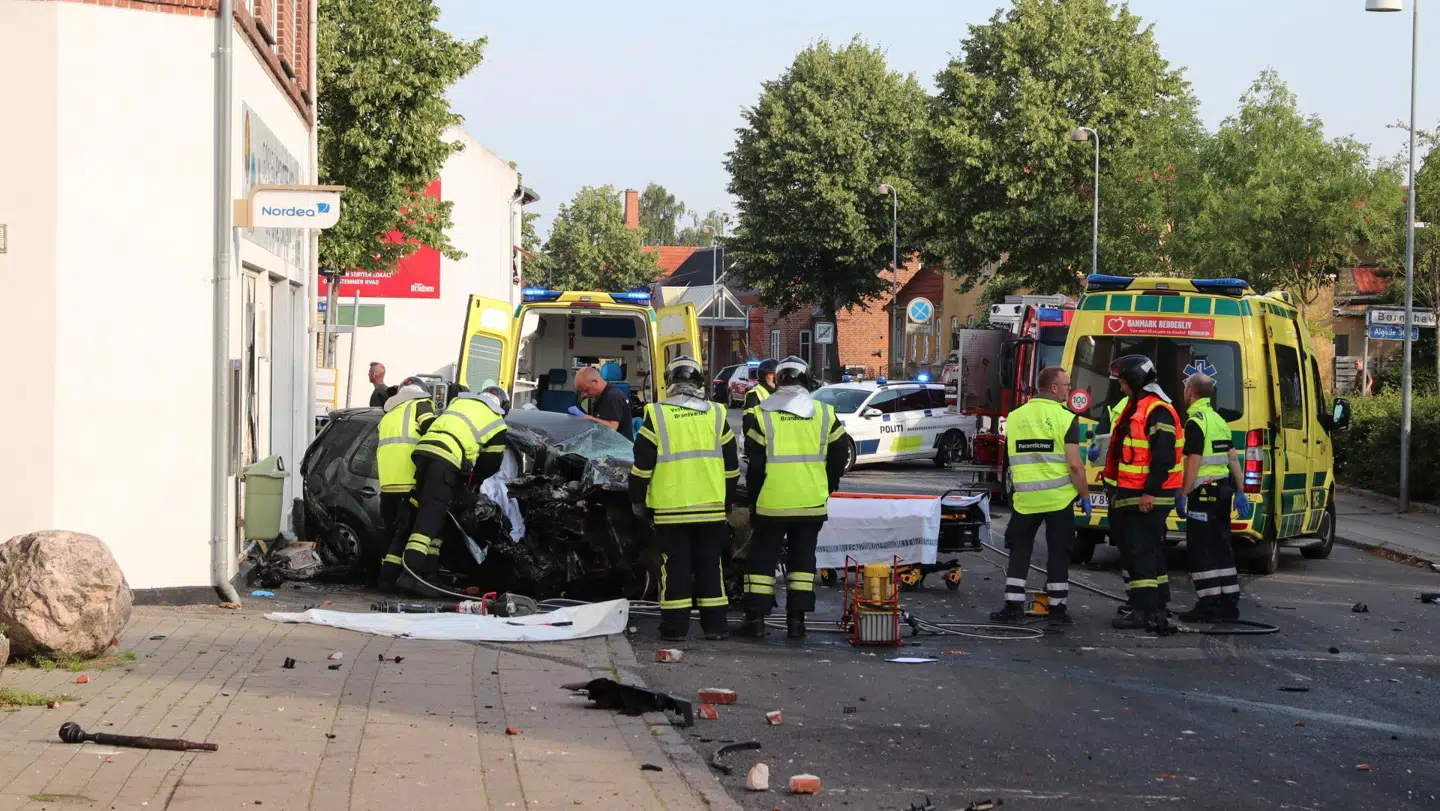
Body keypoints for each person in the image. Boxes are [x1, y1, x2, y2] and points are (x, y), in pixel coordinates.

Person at [629, 356, 740, 641]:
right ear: (699, 383)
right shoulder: (716, 414)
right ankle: (716, 627)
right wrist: (726, 501)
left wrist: (637, 501)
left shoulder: (657, 415)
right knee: (710, 568)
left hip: (670, 510)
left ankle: (675, 629)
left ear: (670, 383)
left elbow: (642, 465)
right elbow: (732, 467)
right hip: (711, 510)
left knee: (674, 568)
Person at [739, 356, 849, 639]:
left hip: (771, 502)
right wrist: (829, 484)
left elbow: (755, 466)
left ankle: (756, 620)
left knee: (762, 560)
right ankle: (797, 621)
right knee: (802, 561)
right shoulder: (824, 413)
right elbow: (839, 454)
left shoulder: (761, 414)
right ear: (806, 380)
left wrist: (754, 499)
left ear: (778, 381)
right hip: (810, 502)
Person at [990, 367, 1091, 626]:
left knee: (1019, 551)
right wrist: (1085, 494)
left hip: (1026, 499)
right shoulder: (1066, 418)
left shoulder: (1015, 416)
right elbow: (1075, 465)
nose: (1070, 389)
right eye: (1067, 385)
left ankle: (1012, 605)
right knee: (1058, 553)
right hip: (1059, 499)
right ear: (1054, 388)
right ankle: (1057, 610)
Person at [401, 385, 510, 592]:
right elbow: (491, 463)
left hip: (423, 454)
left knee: (437, 517)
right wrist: (474, 480)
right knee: (430, 518)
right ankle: (411, 574)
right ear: (503, 406)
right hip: (446, 461)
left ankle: (428, 575)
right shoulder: (496, 421)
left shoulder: (460, 402)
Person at [1103, 355, 1182, 631]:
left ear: (1135, 382)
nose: (1121, 388)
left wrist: (1148, 492)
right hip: (1134, 493)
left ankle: (1144, 610)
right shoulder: (1142, 407)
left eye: (1123, 382)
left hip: (1148, 496)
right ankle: (1156, 605)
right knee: (1148, 552)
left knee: (1140, 553)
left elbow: (1163, 457)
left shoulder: (1157, 410)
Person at [1178, 373, 1252, 622]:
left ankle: (1208, 606)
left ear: (1190, 392)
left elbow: (1194, 462)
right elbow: (1233, 459)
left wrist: (1183, 493)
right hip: (1222, 493)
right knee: (1222, 549)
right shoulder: (1219, 420)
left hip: (1204, 494)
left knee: (1202, 550)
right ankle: (1229, 606)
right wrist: (1241, 491)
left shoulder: (1196, 422)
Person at [376, 377, 437, 591]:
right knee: (406, 534)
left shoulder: (390, 413)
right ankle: (401, 580)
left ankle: (385, 579)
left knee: (390, 533)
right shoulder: (421, 404)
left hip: (387, 485)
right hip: (409, 481)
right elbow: (433, 433)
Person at [572, 365, 633, 441]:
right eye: (581, 391)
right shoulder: (601, 396)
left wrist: (585, 417)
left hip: (617, 449)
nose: (584, 394)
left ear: (595, 382)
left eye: (586, 390)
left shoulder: (612, 397)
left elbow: (612, 428)